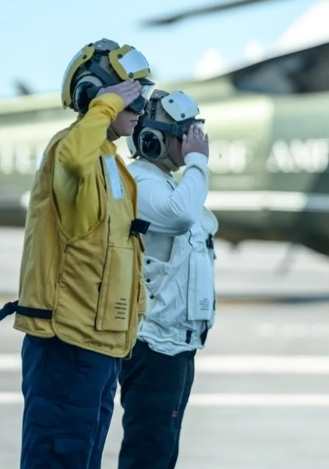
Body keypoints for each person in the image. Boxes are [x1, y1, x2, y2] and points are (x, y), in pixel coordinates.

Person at [0, 38, 154, 469]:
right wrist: (103, 107)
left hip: (99, 345)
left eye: (143, 95)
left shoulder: (109, 160)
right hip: (67, 344)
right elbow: (73, 160)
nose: (140, 108)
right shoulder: (70, 150)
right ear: (94, 95)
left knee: (83, 457)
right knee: (58, 458)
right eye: (130, 96)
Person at [118, 89, 216, 469]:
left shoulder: (167, 183)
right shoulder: (141, 181)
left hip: (176, 345)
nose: (194, 140)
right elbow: (181, 216)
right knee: (149, 452)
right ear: (153, 140)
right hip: (153, 346)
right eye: (185, 133)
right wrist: (197, 162)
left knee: (162, 452)